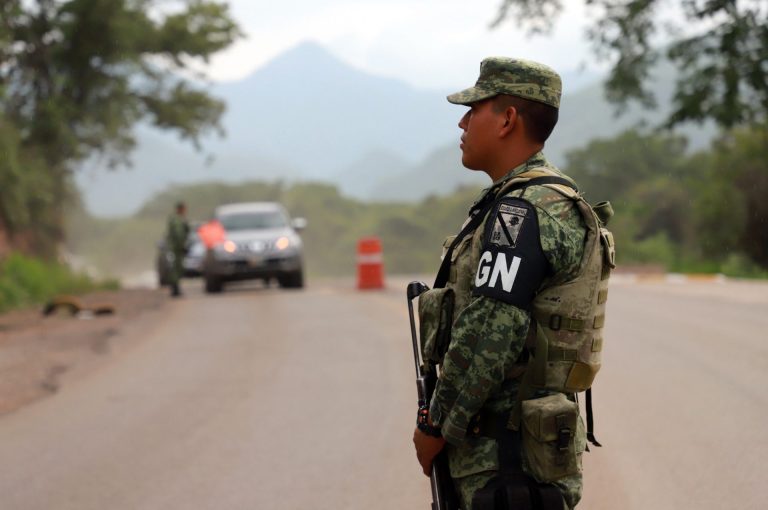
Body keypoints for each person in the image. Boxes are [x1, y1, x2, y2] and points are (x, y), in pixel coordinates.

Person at [412, 57, 613, 509]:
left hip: (505, 462)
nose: (462, 121)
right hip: (518, 458)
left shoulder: (523, 211)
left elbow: (490, 330)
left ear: (506, 120)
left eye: (474, 108)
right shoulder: (534, 200)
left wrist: (435, 426)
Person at [166, 201, 190, 297]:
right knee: (177, 268)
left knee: (176, 268)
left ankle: (175, 289)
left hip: (175, 247)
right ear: (181, 209)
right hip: (176, 248)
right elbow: (179, 234)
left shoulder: (177, 219)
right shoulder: (177, 220)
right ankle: (175, 289)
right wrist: (182, 246)